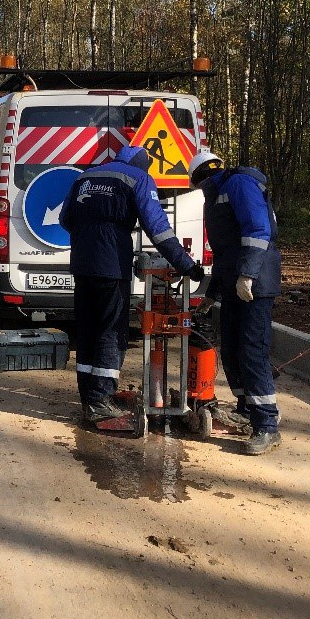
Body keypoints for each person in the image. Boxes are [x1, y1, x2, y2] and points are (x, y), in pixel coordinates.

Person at [60, 145, 203, 424]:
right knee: (110, 330)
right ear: (143, 165)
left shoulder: (84, 177)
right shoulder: (139, 178)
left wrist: (90, 234)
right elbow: (157, 226)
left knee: (87, 330)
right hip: (111, 266)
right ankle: (101, 400)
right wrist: (185, 264)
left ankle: (88, 398)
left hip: (82, 264)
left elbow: (66, 219)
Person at [189, 149, 283, 455]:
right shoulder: (216, 196)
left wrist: (247, 276)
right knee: (230, 350)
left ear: (203, 176)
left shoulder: (238, 185)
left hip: (254, 285)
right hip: (233, 285)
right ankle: (246, 409)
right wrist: (211, 294)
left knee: (252, 351)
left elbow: (258, 231)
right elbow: (224, 252)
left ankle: (267, 425)